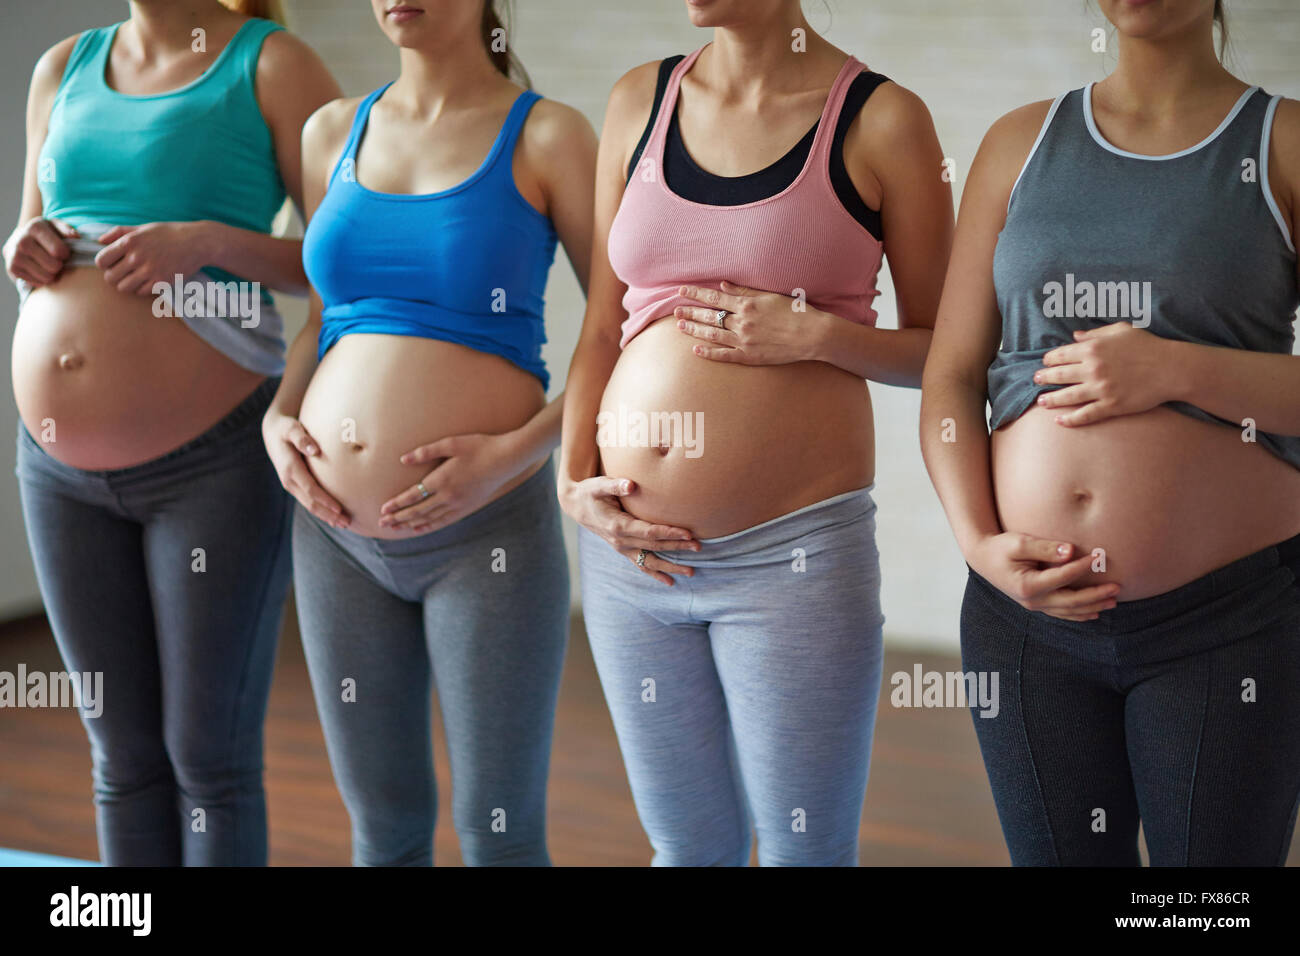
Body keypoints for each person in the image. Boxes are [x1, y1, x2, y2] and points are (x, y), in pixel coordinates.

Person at [560, 0, 952, 865]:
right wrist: (572, 481)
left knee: (803, 852)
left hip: (794, 560)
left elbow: (946, 353)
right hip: (632, 560)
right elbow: (600, 324)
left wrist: (819, 336)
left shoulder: (882, 120)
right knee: (685, 847)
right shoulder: (639, 99)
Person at [920, 0, 1300, 865]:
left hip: (1226, 620)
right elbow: (949, 375)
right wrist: (979, 545)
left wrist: (1174, 367)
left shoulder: (1282, 144)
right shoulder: (1019, 143)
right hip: (1024, 620)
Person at [3, 0, 339, 865]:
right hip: (54, 465)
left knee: (208, 760)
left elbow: (347, 257)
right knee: (119, 754)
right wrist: (23, 246)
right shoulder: (62, 67)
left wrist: (208, 243)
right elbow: (32, 233)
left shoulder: (271, 66)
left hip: (215, 462)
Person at [265, 0, 596, 865]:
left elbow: (623, 331)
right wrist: (276, 415)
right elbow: (320, 321)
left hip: (486, 534)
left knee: (498, 828)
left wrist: (512, 454)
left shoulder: (547, 136)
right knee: (382, 824)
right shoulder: (330, 130)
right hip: (333, 533)